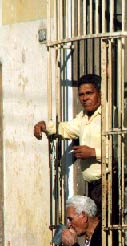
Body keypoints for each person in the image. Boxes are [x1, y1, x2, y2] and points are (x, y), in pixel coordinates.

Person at [33, 74, 102, 212]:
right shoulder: (83, 117)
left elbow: (122, 151)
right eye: (81, 94)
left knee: (105, 228)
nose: (85, 98)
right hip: (93, 186)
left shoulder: (110, 115)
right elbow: (66, 128)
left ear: (99, 93)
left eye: (89, 93)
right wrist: (45, 126)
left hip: (110, 182)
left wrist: (93, 152)